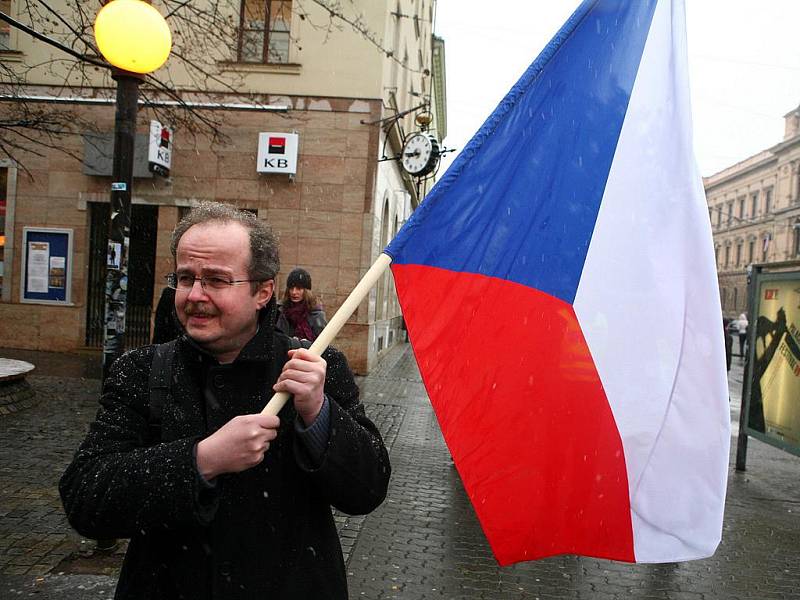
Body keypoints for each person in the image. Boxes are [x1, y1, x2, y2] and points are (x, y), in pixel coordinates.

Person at [60, 201, 390, 600]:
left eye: (216, 280)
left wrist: (319, 414)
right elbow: (86, 498)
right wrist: (201, 460)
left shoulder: (315, 365)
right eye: (185, 278)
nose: (194, 295)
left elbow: (367, 489)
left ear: (263, 292)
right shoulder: (143, 370)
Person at [276, 267, 327, 341]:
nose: (294, 292)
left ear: (306, 291)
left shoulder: (316, 314)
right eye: (291, 288)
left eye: (299, 288)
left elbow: (323, 343)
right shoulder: (280, 310)